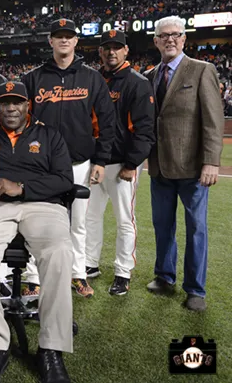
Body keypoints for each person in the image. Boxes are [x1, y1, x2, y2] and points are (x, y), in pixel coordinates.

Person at [0, 81, 74, 383]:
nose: (11, 108)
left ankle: (51, 348)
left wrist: (22, 187)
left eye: (17, 102)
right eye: (5, 103)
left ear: (28, 105)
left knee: (60, 252)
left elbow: (65, 179)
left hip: (42, 204)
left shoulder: (50, 135)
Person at [22, 18, 115, 298]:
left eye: (69, 36)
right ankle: (33, 278)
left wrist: (100, 160)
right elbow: (20, 121)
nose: (64, 40)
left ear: (76, 41)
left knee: (78, 224)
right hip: (40, 165)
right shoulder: (33, 78)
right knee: (35, 223)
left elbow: (106, 122)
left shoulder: (91, 77)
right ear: (50, 41)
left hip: (79, 163)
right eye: (58, 36)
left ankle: (77, 274)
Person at [144, 16, 224, 311]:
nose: (170, 40)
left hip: (193, 168)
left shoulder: (203, 70)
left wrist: (211, 162)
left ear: (184, 39)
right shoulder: (150, 74)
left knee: (196, 228)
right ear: (155, 41)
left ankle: (195, 289)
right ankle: (164, 276)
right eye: (164, 35)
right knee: (162, 226)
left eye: (176, 35)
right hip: (160, 166)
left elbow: (214, 121)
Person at [85, 30, 155, 295]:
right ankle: (90, 263)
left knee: (124, 219)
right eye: (107, 47)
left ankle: (122, 272)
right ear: (100, 51)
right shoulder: (93, 79)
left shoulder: (137, 82)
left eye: (117, 47)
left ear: (126, 51)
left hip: (122, 164)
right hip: (95, 161)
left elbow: (145, 129)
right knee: (90, 217)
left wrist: (131, 163)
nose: (111, 52)